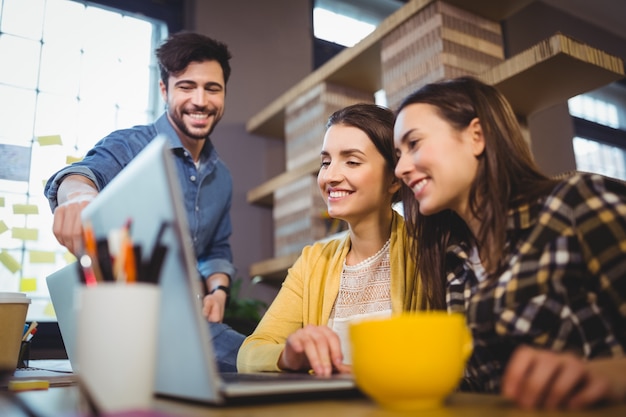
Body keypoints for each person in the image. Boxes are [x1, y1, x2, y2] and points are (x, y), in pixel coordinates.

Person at [393, 76, 626, 410]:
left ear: (476, 136)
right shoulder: (455, 265)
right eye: (398, 154)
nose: (401, 168)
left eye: (413, 144)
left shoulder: (576, 205)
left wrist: (604, 375)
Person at [44, 31, 245, 372]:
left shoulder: (222, 177)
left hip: (190, 326)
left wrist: (218, 290)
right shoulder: (130, 144)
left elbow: (217, 248)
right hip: (123, 328)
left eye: (212, 88)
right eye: (186, 86)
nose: (201, 100)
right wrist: (78, 198)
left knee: (261, 362)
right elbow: (82, 175)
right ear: (165, 90)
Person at [237, 103, 426, 376]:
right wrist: (288, 356)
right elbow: (249, 353)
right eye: (326, 162)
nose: (330, 177)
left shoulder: (426, 253)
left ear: (393, 180)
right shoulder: (313, 261)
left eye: (352, 161)